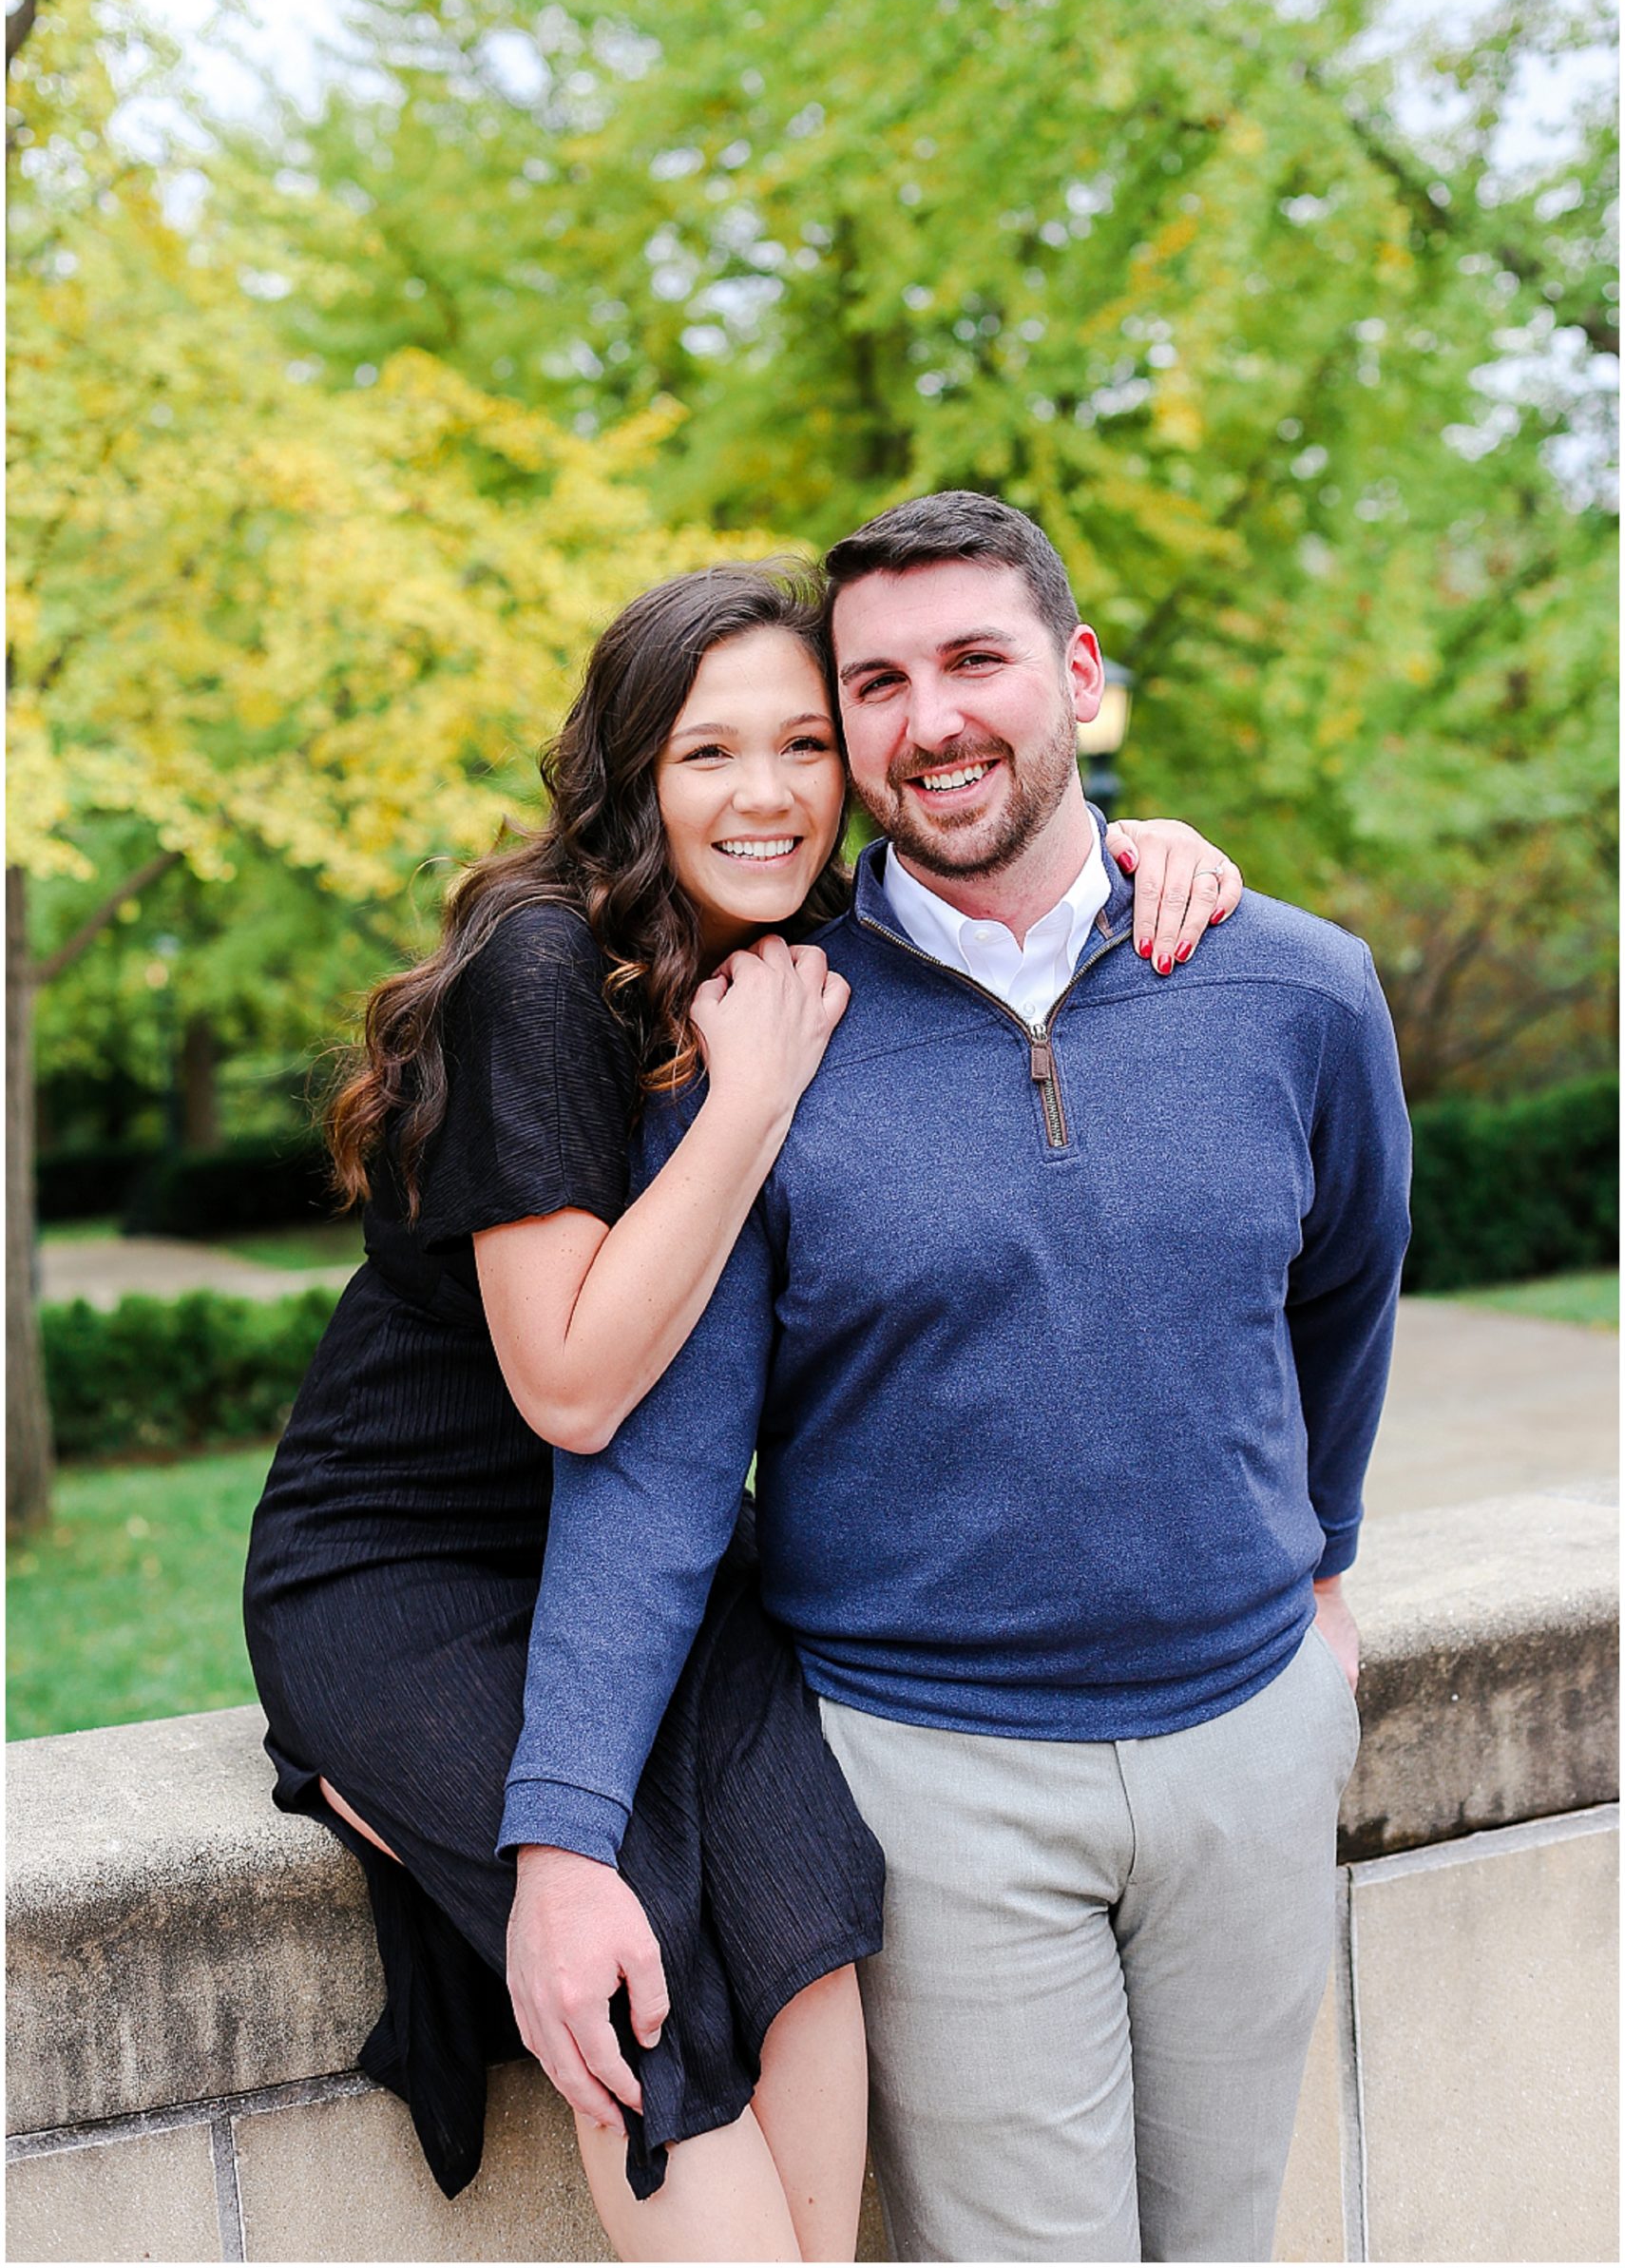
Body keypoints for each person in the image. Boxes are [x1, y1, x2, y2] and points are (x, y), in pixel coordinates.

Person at [241, 550, 1241, 2264]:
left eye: (801, 745)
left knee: (810, 1928)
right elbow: (566, 1384)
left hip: (665, 1560)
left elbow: (1008, 885)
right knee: (648, 1988)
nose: (766, 794)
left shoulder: (807, 944)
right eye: (708, 754)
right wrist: (754, 1094)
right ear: (633, 774)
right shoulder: (543, 974)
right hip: (418, 1569)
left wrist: (1151, 845)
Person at [503, 492, 1413, 2264]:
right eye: (878, 684)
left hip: (1247, 1735)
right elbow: (660, 1476)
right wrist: (560, 1831)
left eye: (977, 661)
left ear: (1079, 678)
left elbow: (1344, 1290)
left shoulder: (1298, 990)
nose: (932, 722)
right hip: (935, 1780)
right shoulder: (760, 1044)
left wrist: (1320, 1553)